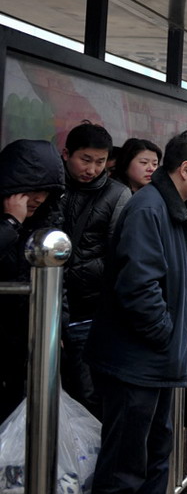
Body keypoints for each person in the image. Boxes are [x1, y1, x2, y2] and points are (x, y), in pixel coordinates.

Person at [86, 130, 187, 493]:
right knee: (126, 466)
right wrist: (165, 333)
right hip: (136, 361)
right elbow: (139, 286)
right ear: (186, 168)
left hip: (152, 361)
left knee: (153, 454)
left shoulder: (170, 206)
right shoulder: (149, 208)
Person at [60, 122, 131, 417]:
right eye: (85, 160)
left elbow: (119, 253)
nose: (92, 169)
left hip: (89, 309)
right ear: (66, 154)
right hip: (48, 307)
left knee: (87, 392)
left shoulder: (117, 195)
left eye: (100, 162)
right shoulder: (52, 187)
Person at [0, 139, 66, 423]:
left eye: (45, 191)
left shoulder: (45, 223)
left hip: (24, 339)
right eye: (30, 190)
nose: (38, 198)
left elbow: (59, 282)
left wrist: (57, 326)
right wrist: (10, 223)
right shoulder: (12, 222)